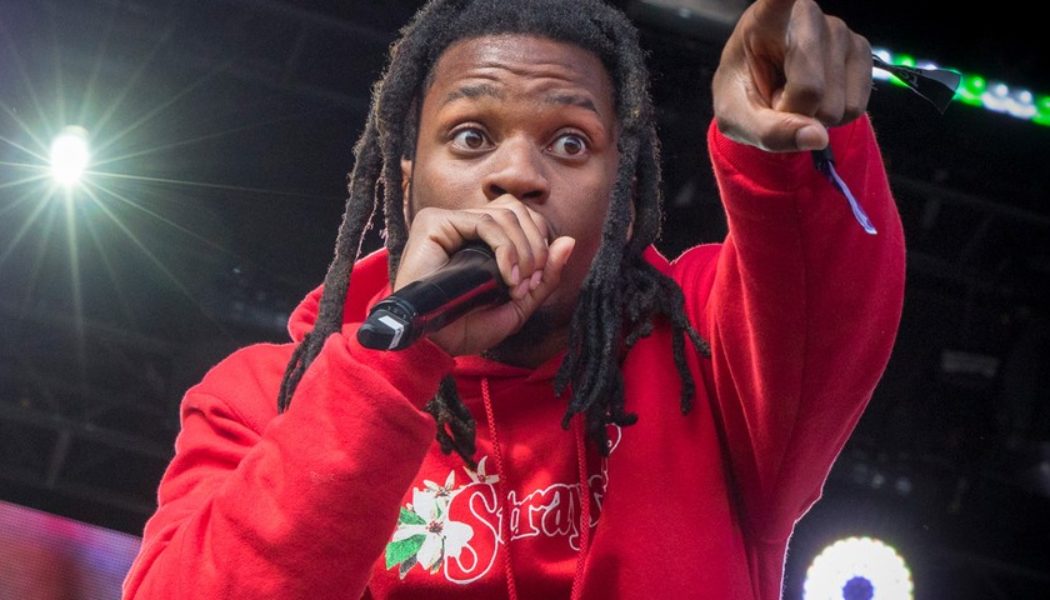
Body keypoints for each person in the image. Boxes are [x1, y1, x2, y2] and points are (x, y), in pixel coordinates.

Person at [123, 0, 904, 598]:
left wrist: (783, 152)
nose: (517, 176)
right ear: (407, 184)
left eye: (571, 142)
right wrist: (393, 363)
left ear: (623, 203)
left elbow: (823, 301)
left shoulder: (707, 352)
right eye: (470, 136)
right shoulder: (265, 398)